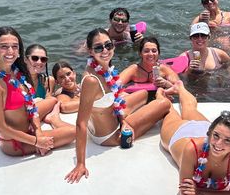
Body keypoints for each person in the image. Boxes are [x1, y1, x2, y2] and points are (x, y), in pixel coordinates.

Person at [65, 28, 171, 183]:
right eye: (98, 47)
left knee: (142, 94)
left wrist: (122, 119)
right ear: (90, 51)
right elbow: (81, 123)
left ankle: (130, 114)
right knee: (164, 103)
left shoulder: (102, 68)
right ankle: (160, 96)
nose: (105, 50)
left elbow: (113, 98)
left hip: (112, 117)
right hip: (110, 135)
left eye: (108, 45)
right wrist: (80, 163)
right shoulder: (91, 80)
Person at [159, 82, 230, 195]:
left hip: (205, 130)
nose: (219, 144)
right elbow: (185, 193)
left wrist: (199, 193)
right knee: (167, 108)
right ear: (211, 133)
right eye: (216, 136)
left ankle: (179, 88)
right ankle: (168, 91)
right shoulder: (191, 150)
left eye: (227, 141)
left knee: (189, 108)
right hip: (179, 134)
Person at [0, 27, 76, 157]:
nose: (10, 51)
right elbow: (0, 128)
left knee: (53, 100)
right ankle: (54, 120)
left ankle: (49, 119)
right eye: (4, 46)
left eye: (15, 46)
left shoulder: (15, 71)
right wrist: (37, 141)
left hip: (28, 123)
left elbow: (30, 105)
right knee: (74, 131)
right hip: (16, 141)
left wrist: (39, 131)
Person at [24, 44, 59, 118]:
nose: (39, 62)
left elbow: (48, 100)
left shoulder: (48, 81)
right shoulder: (17, 81)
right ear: (25, 59)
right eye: (35, 58)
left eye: (43, 59)